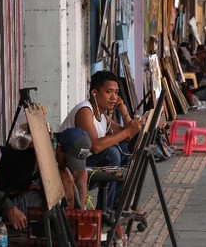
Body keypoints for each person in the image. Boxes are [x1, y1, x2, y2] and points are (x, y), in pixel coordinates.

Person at [60, 70, 144, 209]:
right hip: (71, 168)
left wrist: (123, 110)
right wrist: (129, 130)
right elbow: (95, 146)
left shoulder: (103, 116)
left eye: (116, 93)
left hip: (87, 164)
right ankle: (105, 210)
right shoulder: (85, 111)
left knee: (127, 154)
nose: (114, 97)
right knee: (112, 153)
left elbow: (129, 135)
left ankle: (116, 205)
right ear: (94, 93)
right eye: (109, 92)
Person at [0, 127, 92, 230]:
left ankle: (75, 222)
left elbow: (78, 178)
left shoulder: (53, 153)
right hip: (7, 209)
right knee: (63, 179)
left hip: (25, 194)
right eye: (67, 160)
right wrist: (10, 208)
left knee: (66, 175)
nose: (68, 164)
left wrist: (81, 211)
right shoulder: (27, 154)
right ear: (58, 147)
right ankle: (69, 227)